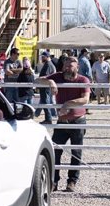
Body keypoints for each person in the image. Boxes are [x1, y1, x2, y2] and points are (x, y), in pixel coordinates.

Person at [39, 56, 91, 192]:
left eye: (72, 65)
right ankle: (54, 181)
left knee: (76, 152)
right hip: (62, 121)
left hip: (77, 120)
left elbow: (85, 99)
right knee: (55, 151)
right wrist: (50, 81)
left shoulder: (83, 80)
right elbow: (36, 80)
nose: (68, 68)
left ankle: (72, 181)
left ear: (77, 67)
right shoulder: (58, 77)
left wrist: (68, 104)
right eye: (66, 65)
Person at [35, 50, 56, 124]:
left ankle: (48, 119)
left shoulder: (48, 64)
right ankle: (46, 118)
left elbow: (47, 76)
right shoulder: (48, 64)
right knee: (44, 102)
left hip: (45, 86)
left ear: (47, 57)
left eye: (43, 57)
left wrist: (38, 79)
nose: (42, 58)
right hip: (45, 86)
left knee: (45, 103)